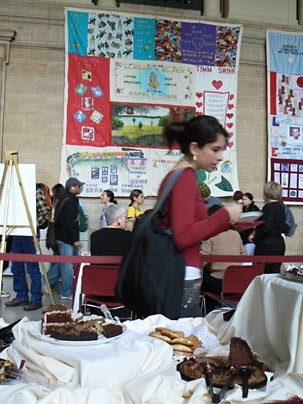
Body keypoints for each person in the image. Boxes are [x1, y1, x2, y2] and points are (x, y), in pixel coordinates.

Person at [157, 115, 243, 317]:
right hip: (181, 273)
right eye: (215, 150)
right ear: (195, 148)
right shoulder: (185, 177)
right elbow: (183, 236)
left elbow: (192, 230)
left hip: (178, 271)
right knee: (182, 341)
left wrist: (225, 221)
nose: (221, 157)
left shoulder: (180, 175)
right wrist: (223, 214)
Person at [5, 183, 52, 311]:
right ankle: (21, 296)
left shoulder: (34, 189)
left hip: (29, 233)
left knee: (32, 268)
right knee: (16, 267)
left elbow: (45, 212)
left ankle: (36, 299)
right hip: (17, 231)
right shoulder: (14, 190)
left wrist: (32, 226)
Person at [200, 204, 247, 313]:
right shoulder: (235, 234)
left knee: (200, 277)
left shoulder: (210, 234)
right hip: (235, 281)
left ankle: (206, 313)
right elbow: (244, 255)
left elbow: (203, 260)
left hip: (218, 282)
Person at [48, 177, 84, 300]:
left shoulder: (63, 198)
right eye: (79, 186)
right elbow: (70, 222)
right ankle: (66, 291)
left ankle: (46, 284)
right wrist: (75, 240)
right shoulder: (71, 200)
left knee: (60, 263)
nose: (80, 188)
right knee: (68, 266)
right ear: (72, 187)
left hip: (60, 236)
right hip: (66, 238)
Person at [249, 181, 288, 274]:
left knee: (262, 274)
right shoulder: (282, 207)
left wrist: (254, 236)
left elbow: (266, 227)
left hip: (267, 245)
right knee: (274, 275)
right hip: (279, 244)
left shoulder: (268, 207)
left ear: (267, 193)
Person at [43, 183, 65, 294]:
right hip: (59, 234)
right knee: (59, 261)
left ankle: (48, 281)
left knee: (57, 259)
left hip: (51, 234)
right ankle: (47, 282)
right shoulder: (61, 203)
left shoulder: (52, 201)